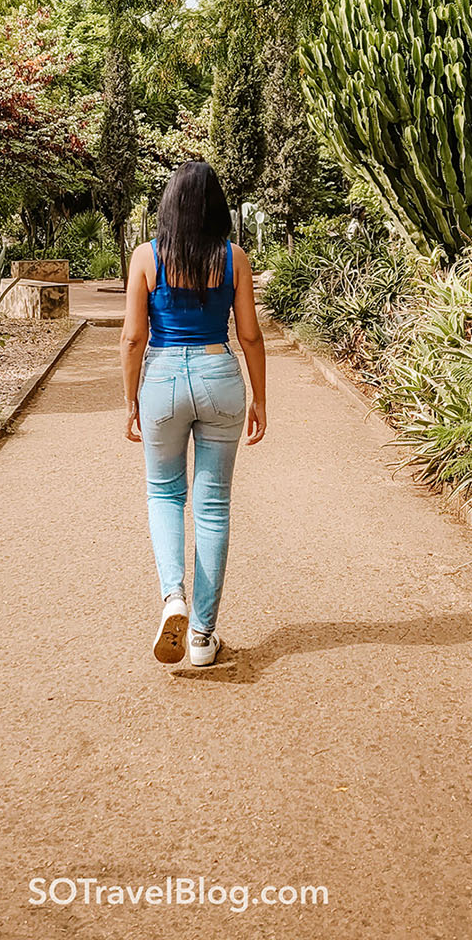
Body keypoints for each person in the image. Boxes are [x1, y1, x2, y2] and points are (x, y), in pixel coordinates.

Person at [120, 160, 267, 667]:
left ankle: (173, 597)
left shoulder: (146, 257)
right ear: (216, 206)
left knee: (163, 492)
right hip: (218, 373)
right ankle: (203, 636)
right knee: (213, 506)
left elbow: (134, 337)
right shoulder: (234, 258)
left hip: (161, 378)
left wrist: (130, 399)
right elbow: (248, 334)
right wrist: (261, 399)